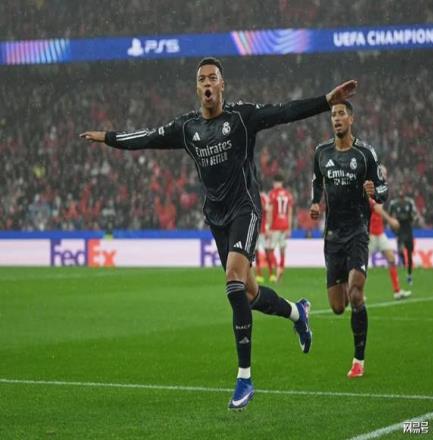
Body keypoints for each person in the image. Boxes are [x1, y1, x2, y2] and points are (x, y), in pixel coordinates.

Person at [81, 57, 357, 409]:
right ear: (197, 88)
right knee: (250, 294)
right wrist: (108, 137)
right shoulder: (187, 128)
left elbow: (285, 111)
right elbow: (147, 137)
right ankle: (296, 312)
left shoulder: (241, 118)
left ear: (222, 85)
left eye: (213, 77)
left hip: (245, 209)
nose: (208, 83)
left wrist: (326, 100)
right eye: (202, 79)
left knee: (233, 283)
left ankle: (245, 378)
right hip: (217, 218)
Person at [310, 100, 387, 379]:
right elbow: (317, 181)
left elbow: (384, 189)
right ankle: (346, 290)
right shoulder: (321, 152)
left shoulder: (365, 153)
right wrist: (315, 203)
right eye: (333, 114)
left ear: (351, 119)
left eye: (341, 113)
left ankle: (358, 360)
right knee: (337, 307)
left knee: (355, 294)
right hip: (332, 236)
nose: (337, 118)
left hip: (357, 231)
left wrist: (375, 191)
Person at [368, 196, 411, 300]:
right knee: (360, 265)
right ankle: (356, 293)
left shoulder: (378, 193)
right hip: (370, 234)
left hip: (380, 234)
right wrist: (390, 220)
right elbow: (377, 208)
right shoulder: (368, 194)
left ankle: (397, 291)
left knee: (391, 258)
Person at [388, 190, 418, 286]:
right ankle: (403, 261)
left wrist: (413, 218)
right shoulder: (394, 204)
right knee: (400, 250)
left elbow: (415, 215)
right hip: (400, 229)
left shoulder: (410, 202)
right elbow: (389, 216)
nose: (401, 199)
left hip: (408, 229)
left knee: (409, 254)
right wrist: (393, 228)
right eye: (400, 197)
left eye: (402, 197)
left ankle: (409, 275)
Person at [267, 174, 294, 282]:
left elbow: (270, 211)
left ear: (276, 182)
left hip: (275, 226)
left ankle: (278, 268)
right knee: (282, 250)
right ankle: (281, 270)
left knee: (270, 250)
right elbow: (290, 212)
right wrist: (289, 228)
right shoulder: (288, 195)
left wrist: (268, 226)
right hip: (285, 225)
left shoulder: (272, 194)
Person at [254, 191, 271, 283]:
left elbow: (267, 212)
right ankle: (259, 274)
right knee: (256, 253)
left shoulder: (263, 197)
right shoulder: (250, 195)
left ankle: (271, 273)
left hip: (263, 231)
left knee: (267, 251)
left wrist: (268, 227)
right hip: (254, 231)